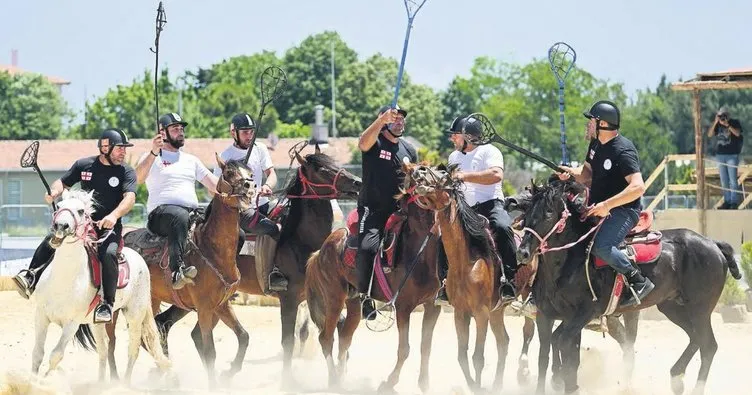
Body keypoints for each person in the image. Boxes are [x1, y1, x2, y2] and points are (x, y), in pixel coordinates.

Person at [13, 128, 137, 323]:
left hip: (109, 227)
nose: (124, 152)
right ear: (105, 147)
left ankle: (107, 304)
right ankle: (30, 277)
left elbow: (129, 198)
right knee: (53, 238)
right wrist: (53, 192)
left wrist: (113, 216)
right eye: (120, 148)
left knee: (109, 253)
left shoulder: (126, 171)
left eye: (124, 149)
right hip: (83, 224)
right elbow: (63, 183)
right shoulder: (84, 165)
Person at [558, 100, 653, 307]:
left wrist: (607, 205)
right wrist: (567, 173)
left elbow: (638, 187)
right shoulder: (595, 145)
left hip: (624, 211)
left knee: (602, 246)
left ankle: (637, 280)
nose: (588, 125)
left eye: (591, 121)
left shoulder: (623, 150)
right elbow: (586, 175)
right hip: (598, 209)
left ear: (602, 124)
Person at [435, 115, 517, 304]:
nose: (452, 139)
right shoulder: (453, 157)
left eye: (455, 135)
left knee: (503, 227)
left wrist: (464, 175)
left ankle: (509, 282)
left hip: (491, 205)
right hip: (465, 210)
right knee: (442, 238)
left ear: (468, 136)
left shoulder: (490, 151)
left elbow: (496, 175)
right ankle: (444, 285)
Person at [135, 113, 219, 290]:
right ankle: (176, 271)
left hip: (191, 213)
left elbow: (214, 185)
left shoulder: (192, 160)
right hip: (161, 215)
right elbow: (138, 179)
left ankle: (222, 275)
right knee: (179, 216)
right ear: (162, 133)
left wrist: (239, 183)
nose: (181, 132)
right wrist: (153, 152)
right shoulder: (151, 157)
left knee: (227, 226)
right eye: (175, 129)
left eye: (182, 129)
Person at [356, 105, 418, 319]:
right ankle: (364, 297)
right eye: (395, 118)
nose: (400, 122)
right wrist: (381, 121)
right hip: (372, 210)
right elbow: (362, 142)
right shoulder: (374, 141)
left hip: (401, 211)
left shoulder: (409, 150)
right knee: (367, 247)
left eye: (402, 119)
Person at [213, 113, 285, 290]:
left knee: (291, 218)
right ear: (233, 133)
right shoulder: (226, 156)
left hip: (263, 204)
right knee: (273, 229)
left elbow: (272, 174)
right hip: (241, 211)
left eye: (251, 132)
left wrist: (267, 186)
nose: (249, 136)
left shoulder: (260, 148)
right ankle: (275, 272)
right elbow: (218, 189)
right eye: (245, 132)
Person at [708, 106, 744, 209]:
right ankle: (727, 201)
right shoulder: (717, 124)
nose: (722, 118)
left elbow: (737, 133)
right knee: (724, 180)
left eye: (724, 115)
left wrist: (728, 125)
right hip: (720, 155)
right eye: (720, 116)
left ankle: (734, 202)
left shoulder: (734, 122)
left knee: (733, 180)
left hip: (732, 154)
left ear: (728, 115)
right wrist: (715, 122)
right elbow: (710, 134)